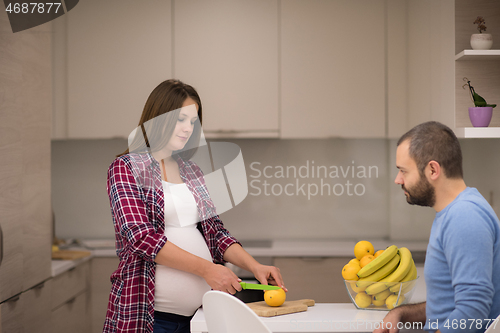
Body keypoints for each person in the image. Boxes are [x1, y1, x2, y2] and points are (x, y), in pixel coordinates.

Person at [103, 79, 286, 333]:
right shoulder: (127, 168)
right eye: (180, 119)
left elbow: (217, 234)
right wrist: (208, 269)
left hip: (199, 318)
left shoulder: (192, 171)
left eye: (193, 120)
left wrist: (254, 266)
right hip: (149, 318)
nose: (188, 128)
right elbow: (141, 238)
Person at [374, 121, 500, 333]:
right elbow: (448, 303)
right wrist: (401, 313)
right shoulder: (453, 212)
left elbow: (472, 310)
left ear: (433, 169)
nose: (398, 180)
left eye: (403, 171)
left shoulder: (464, 216)